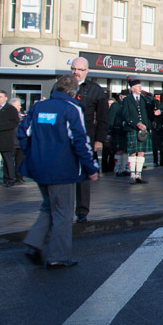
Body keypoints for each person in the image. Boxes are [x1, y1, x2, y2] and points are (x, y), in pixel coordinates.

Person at [19, 75, 99, 269]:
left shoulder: (39, 107)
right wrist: (91, 167)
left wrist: (32, 154)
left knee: (48, 206)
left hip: (38, 165)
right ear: (74, 91)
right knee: (63, 212)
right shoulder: (71, 109)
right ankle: (58, 256)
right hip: (62, 168)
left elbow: (23, 132)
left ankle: (33, 242)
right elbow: (80, 141)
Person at [67, 57, 108, 222]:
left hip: (86, 137)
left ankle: (82, 211)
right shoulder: (62, 85)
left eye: (80, 70)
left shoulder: (95, 89)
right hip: (65, 137)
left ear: (87, 71)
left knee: (83, 175)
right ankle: (64, 209)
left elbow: (103, 117)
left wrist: (100, 139)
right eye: (73, 69)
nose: (76, 72)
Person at [118, 78, 154, 184]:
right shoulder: (127, 100)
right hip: (132, 129)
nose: (140, 88)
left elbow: (148, 115)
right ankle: (132, 175)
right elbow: (125, 114)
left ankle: (139, 175)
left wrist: (148, 127)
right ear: (132, 89)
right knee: (132, 153)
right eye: (138, 87)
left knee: (141, 152)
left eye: (140, 87)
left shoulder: (144, 100)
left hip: (143, 129)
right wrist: (136, 123)